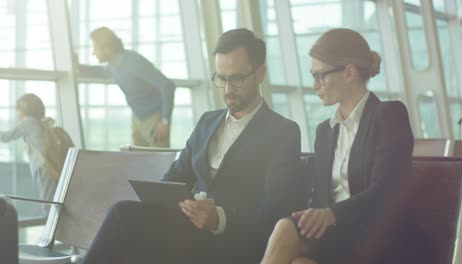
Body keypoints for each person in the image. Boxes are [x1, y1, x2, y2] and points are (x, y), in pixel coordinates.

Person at [81, 28, 302, 264]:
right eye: (221, 78)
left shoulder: (282, 132)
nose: (227, 89)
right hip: (186, 231)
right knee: (123, 213)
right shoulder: (208, 121)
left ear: (260, 74)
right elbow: (176, 176)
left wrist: (220, 218)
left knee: (126, 224)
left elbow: (276, 213)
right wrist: (163, 199)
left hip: (232, 242)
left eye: (237, 78)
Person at [261, 28, 415, 264]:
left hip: (375, 235)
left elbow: (386, 192)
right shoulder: (325, 131)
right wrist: (312, 214)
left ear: (348, 72)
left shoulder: (388, 116)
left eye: (320, 75)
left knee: (285, 230)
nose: (314, 85)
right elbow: (320, 196)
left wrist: (332, 214)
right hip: (336, 238)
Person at [78, 27, 176, 148]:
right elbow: (100, 71)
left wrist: (165, 122)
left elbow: (167, 85)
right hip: (137, 118)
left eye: (95, 48)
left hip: (154, 120)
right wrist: (77, 67)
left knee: (160, 162)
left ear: (106, 47)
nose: (93, 52)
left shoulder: (134, 62)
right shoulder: (114, 65)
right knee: (138, 161)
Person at [0, 94, 62, 215]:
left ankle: (54, 233)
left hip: (44, 168)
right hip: (48, 167)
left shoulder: (28, 122)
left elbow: (6, 137)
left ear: (24, 110)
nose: (18, 114)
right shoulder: (38, 122)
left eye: (19, 110)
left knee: (48, 205)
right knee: (51, 202)